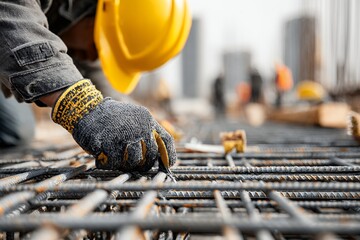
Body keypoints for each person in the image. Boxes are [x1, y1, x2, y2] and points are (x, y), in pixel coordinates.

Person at [0, 0, 191, 173]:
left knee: (15, 132)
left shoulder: (80, 18)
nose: (92, 56)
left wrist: (131, 118)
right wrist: (81, 104)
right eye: (98, 45)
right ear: (99, 12)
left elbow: (94, 73)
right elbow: (9, 14)